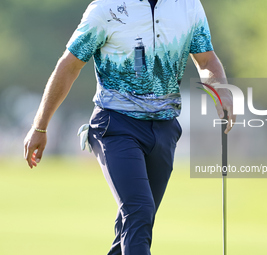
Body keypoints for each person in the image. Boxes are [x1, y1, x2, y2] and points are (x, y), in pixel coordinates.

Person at [24, 0, 235, 254]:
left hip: (165, 127)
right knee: (139, 211)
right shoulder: (106, 8)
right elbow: (69, 66)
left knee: (133, 223)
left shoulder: (189, 6)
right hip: (115, 125)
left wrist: (221, 92)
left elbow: (206, 60)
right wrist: (40, 126)